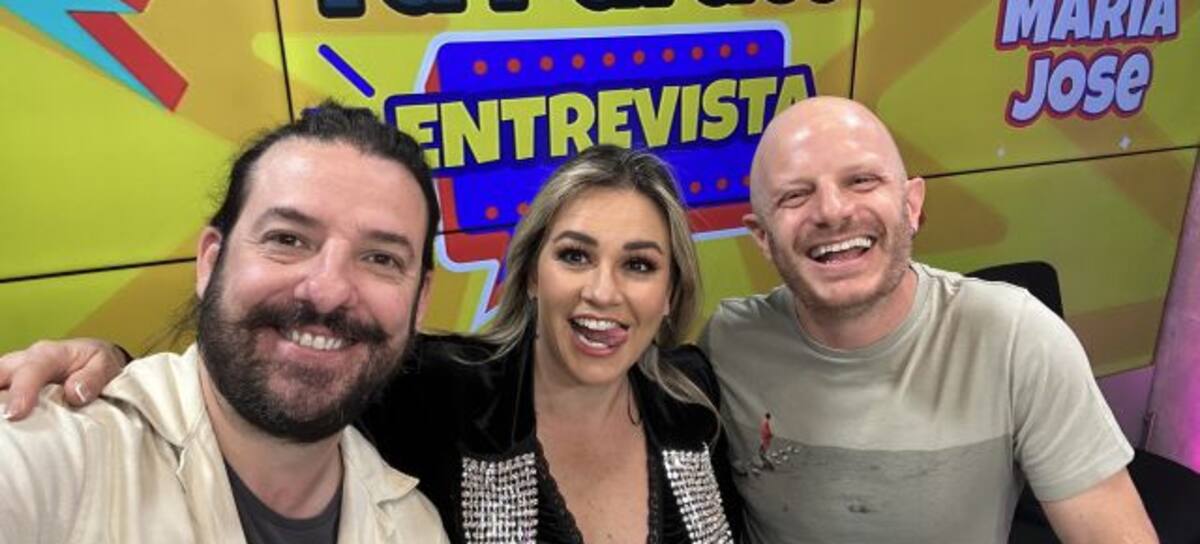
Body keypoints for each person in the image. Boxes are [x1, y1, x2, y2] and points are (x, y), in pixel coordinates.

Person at [0, 145, 742, 542]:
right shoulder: (437, 387)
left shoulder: (693, 399)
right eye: (575, 256)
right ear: (531, 274)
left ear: (670, 292)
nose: (603, 292)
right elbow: (282, 374)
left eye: (639, 265)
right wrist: (112, 369)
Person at [700, 96, 1156, 542]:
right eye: (796, 195)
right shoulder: (727, 344)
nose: (833, 211)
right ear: (762, 237)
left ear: (912, 205)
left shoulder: (1018, 338)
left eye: (861, 181)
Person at [0, 103, 448, 542]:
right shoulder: (49, 453)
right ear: (210, 262)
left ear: (420, 300)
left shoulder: (417, 527)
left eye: (381, 259)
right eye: (287, 239)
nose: (327, 290)